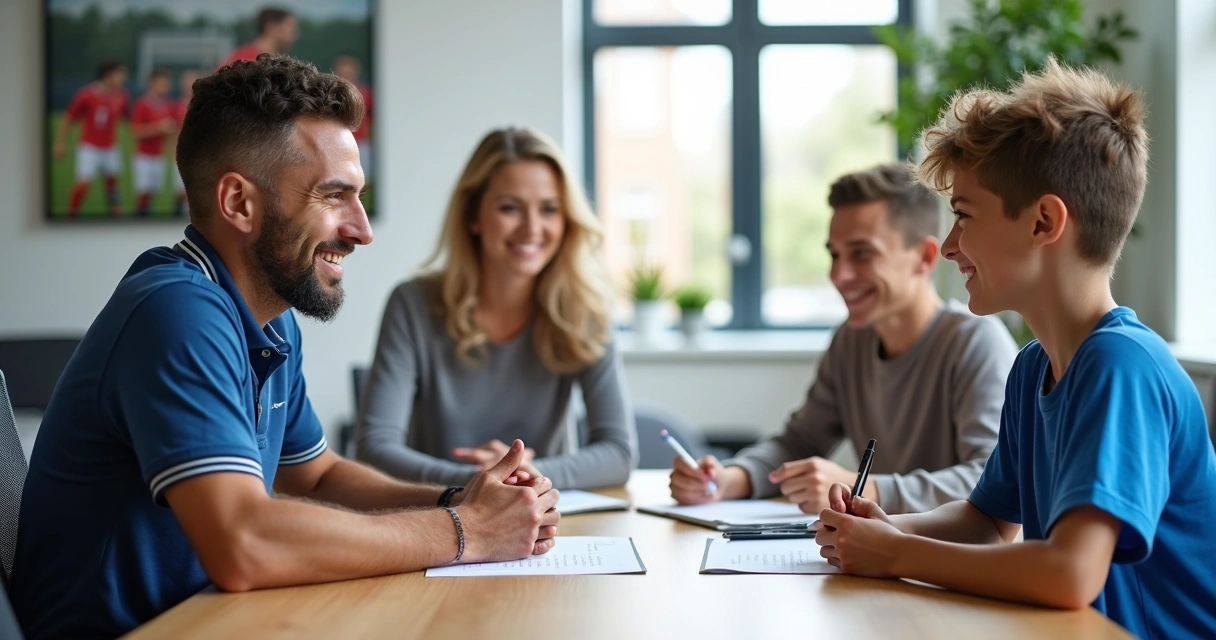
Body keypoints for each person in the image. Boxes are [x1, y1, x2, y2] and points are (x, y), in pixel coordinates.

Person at [12, 55, 560, 640]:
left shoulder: (268, 318)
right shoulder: (175, 312)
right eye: (334, 196)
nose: (362, 228)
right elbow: (243, 542)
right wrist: (465, 531)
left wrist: (461, 498)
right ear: (239, 203)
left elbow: (317, 476)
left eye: (359, 196)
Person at [813, 59, 1216, 638]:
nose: (949, 246)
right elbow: (986, 521)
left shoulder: (1120, 366)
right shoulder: (1033, 366)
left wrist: (895, 556)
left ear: (1043, 222)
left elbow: (1070, 574)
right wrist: (892, 531)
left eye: (964, 216)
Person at [669, 163, 1017, 515]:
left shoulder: (976, 343)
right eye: (834, 254)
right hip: (879, 552)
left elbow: (991, 479)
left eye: (862, 253)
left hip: (943, 561)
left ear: (924, 257)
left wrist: (865, 489)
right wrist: (731, 479)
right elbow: (800, 442)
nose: (839, 275)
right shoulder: (851, 340)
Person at [355, 126, 637, 490]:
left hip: (547, 519)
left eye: (549, 209)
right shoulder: (412, 304)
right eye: (510, 208)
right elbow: (374, 448)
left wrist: (530, 475)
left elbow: (619, 453)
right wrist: (481, 482)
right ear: (473, 216)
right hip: (441, 517)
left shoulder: (585, 309)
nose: (532, 228)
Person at [54, 60, 128, 218]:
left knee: (112, 183)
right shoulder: (86, 94)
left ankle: (115, 212)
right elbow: (69, 117)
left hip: (110, 146)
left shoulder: (121, 95)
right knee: (84, 183)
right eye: (120, 73)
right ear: (108, 75)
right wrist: (60, 143)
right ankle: (72, 214)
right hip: (90, 146)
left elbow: (128, 119)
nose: (123, 77)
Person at [130, 67, 175, 217]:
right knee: (143, 192)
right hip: (144, 156)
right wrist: (159, 128)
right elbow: (135, 132)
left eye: (167, 83)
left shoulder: (168, 104)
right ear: (152, 84)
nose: (166, 86)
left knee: (153, 193)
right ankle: (139, 219)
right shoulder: (142, 104)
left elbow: (170, 129)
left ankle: (145, 219)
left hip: (158, 156)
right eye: (162, 83)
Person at [333, 55, 373, 185]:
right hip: (336, 144)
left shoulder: (366, 93)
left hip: (361, 143)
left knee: (363, 179)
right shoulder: (330, 93)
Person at [220, 7, 298, 67]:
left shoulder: (279, 61)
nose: (295, 33)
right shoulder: (244, 59)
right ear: (271, 27)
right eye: (290, 27)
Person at [170, 69, 201, 217]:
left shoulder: (202, 105)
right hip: (182, 153)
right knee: (180, 190)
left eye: (191, 80)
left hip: (199, 154)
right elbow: (174, 131)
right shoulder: (176, 106)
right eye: (185, 81)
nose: (188, 84)